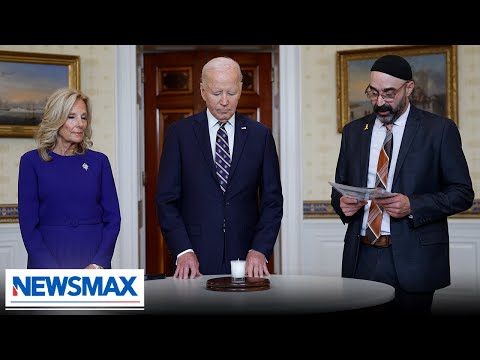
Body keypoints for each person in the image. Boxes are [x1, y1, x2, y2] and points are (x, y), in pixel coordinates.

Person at [331, 54, 474, 314]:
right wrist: (342, 204)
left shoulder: (439, 130)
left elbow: (462, 193)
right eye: (373, 93)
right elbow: (339, 188)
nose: (379, 102)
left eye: (388, 93)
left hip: (414, 261)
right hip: (360, 258)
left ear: (409, 88)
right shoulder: (354, 131)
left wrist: (413, 205)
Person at [156, 56, 283, 279]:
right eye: (216, 93)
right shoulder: (179, 134)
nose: (224, 101)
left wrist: (260, 249)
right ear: (203, 91)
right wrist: (183, 251)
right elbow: (166, 200)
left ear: (241, 90)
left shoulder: (260, 136)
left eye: (231, 93)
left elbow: (273, 201)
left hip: (247, 256)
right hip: (193, 256)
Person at [18, 88, 121, 269]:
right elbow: (28, 226)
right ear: (56, 120)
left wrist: (98, 264)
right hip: (47, 262)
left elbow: (113, 219)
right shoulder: (31, 161)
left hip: (93, 261)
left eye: (84, 117)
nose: (80, 124)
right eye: (71, 117)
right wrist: (52, 271)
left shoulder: (99, 161)